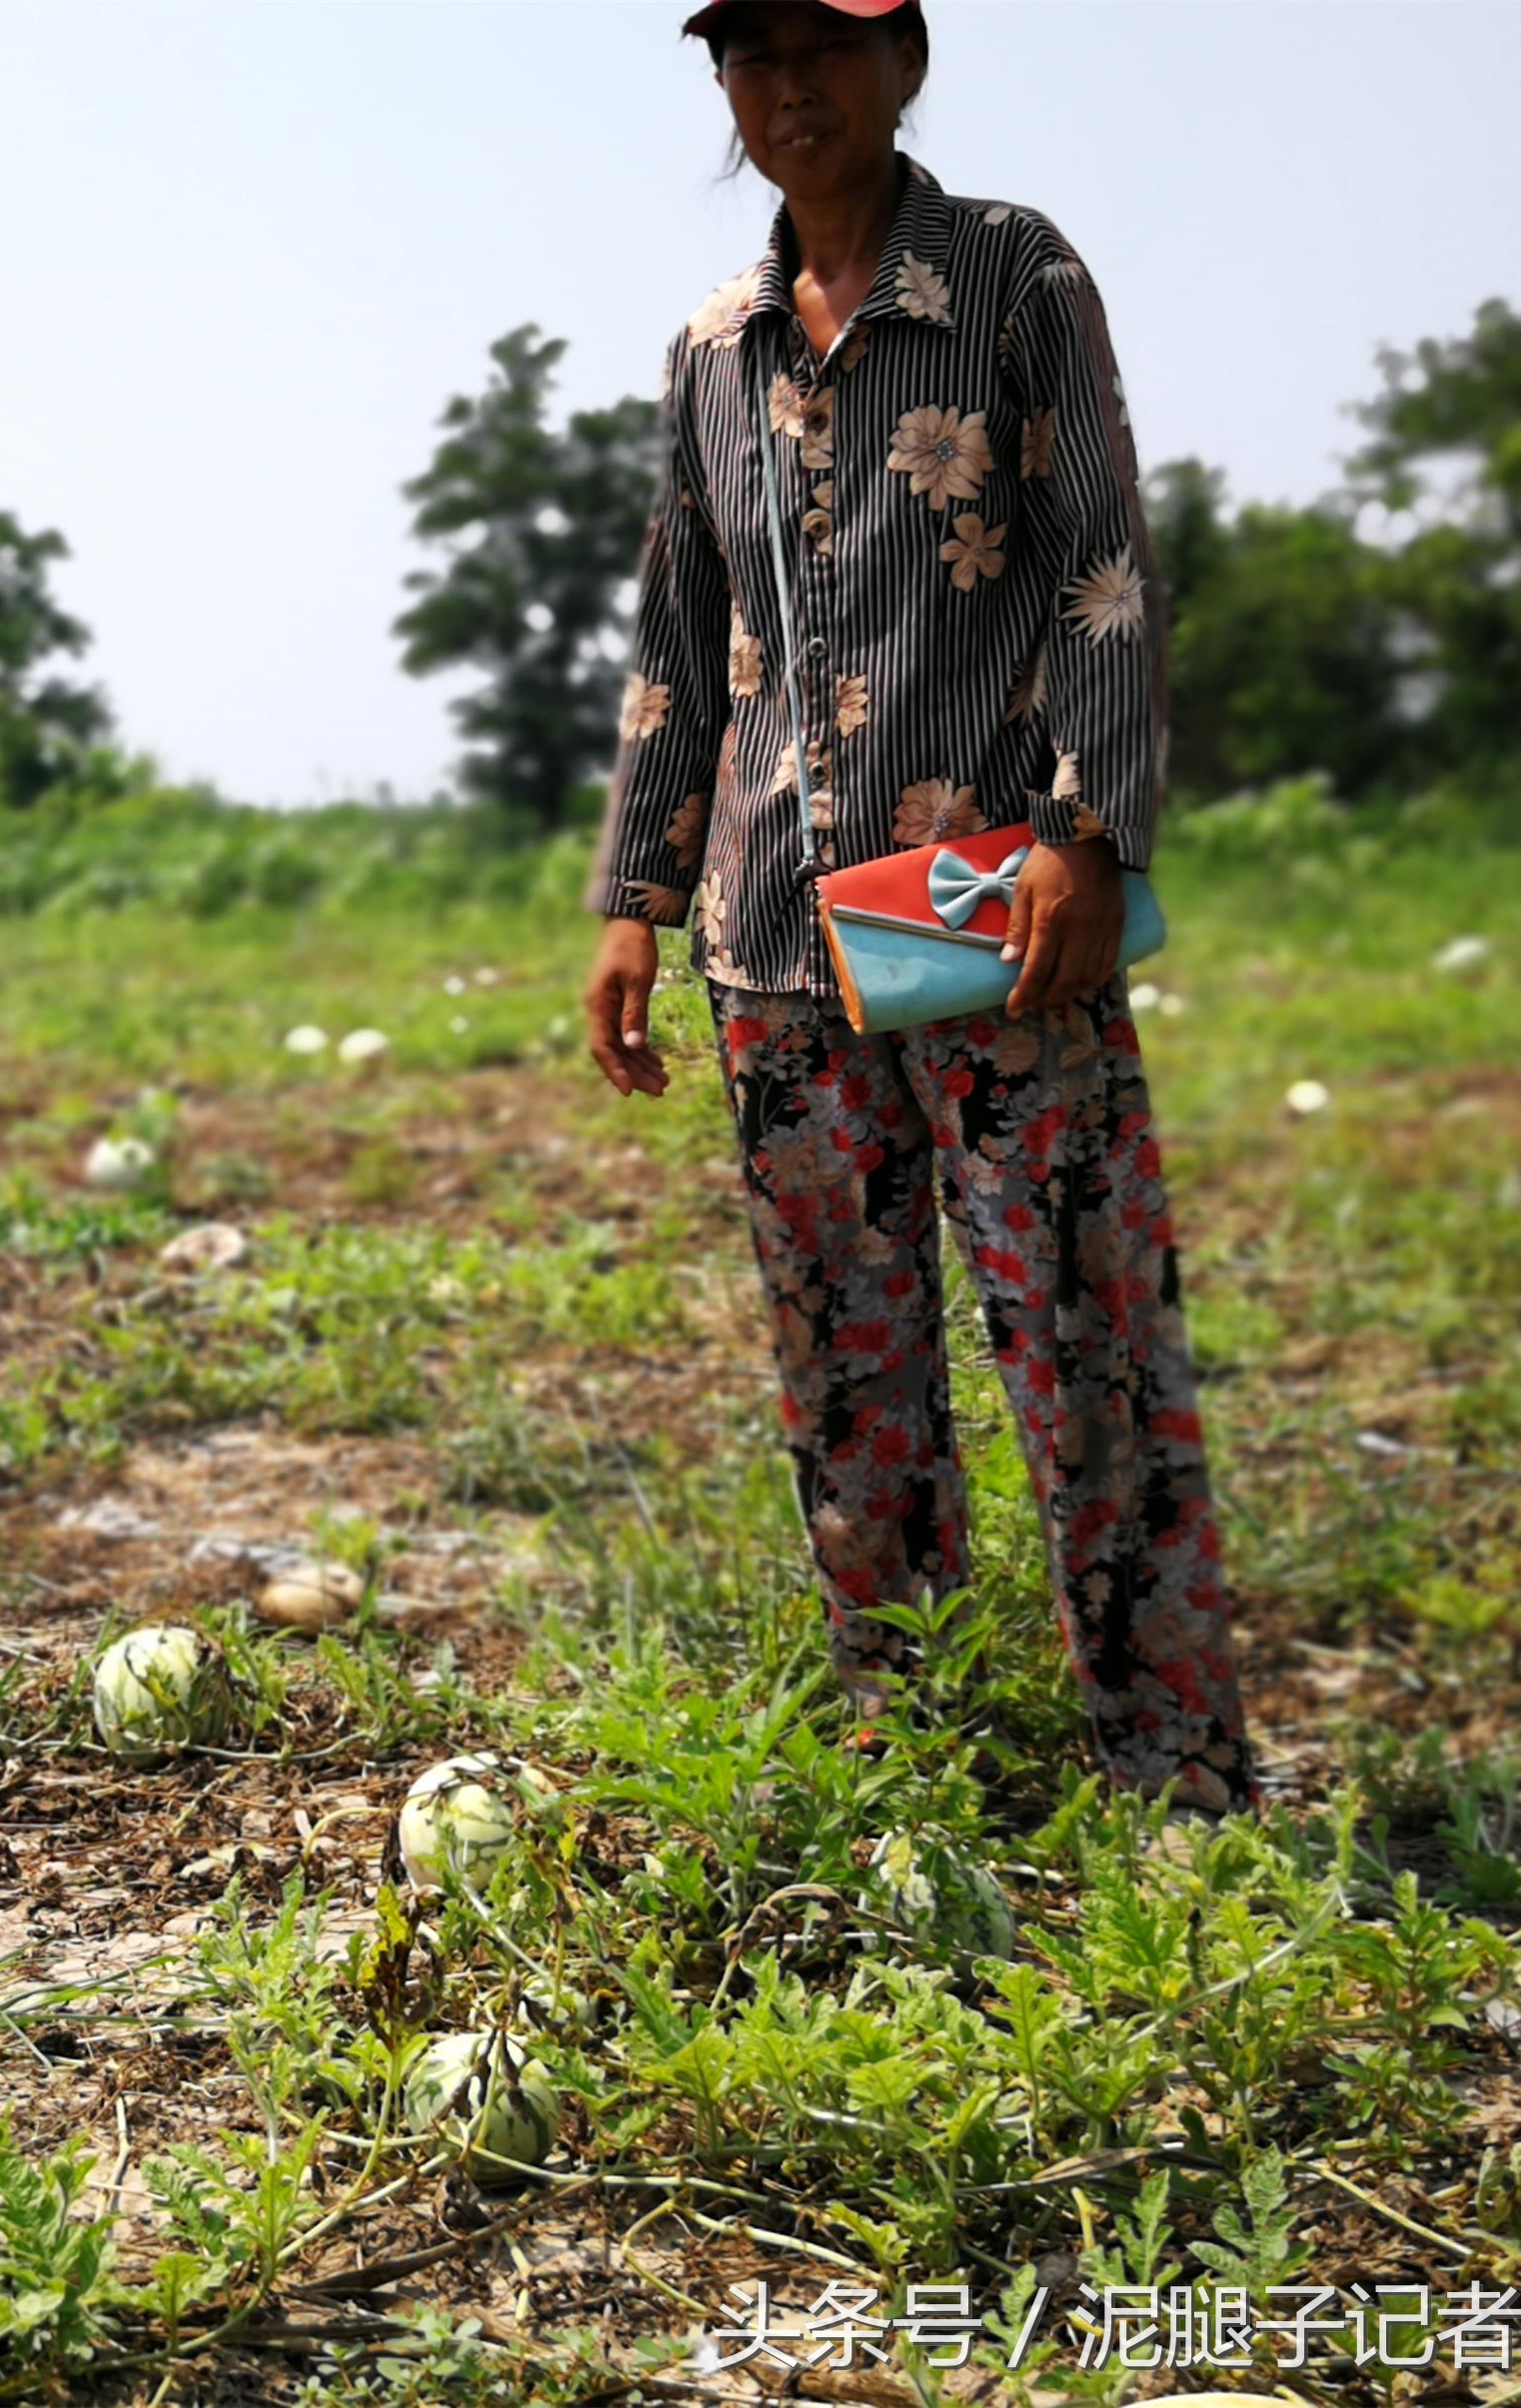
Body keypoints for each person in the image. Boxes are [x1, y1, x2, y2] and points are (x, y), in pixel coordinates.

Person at [578, 0, 1254, 1815]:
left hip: (988, 914)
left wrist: (1086, 833)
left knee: (1084, 1343)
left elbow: (1100, 558)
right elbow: (678, 636)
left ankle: (1173, 1769)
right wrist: (636, 892)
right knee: (846, 1369)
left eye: (828, 43)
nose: (788, 85)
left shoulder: (1012, 275)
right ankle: (915, 1741)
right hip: (770, 941)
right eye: (750, 54)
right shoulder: (713, 346)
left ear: (906, 63)